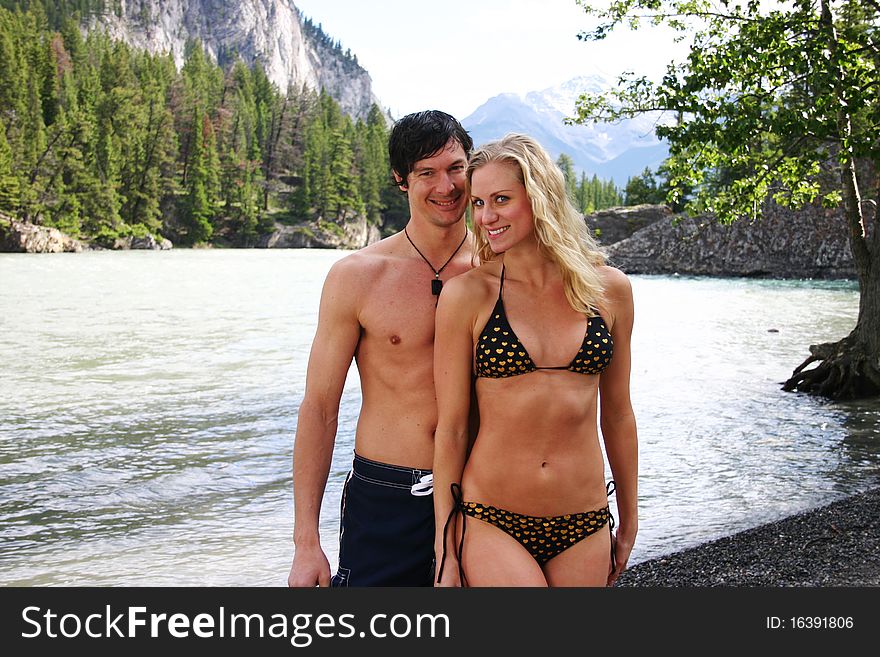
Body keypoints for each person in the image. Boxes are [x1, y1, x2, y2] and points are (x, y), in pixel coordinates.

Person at [432, 133, 638, 587]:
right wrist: (445, 549)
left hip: (585, 520)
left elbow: (619, 414)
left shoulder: (609, 291)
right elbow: (452, 428)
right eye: (479, 203)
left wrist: (629, 517)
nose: (487, 217)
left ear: (539, 196)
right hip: (492, 517)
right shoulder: (468, 295)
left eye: (501, 199)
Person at [287, 110, 475, 587]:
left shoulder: (502, 269)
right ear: (400, 179)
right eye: (427, 173)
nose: (446, 186)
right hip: (387, 492)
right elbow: (320, 407)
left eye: (456, 167)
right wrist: (306, 541)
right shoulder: (358, 276)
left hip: (483, 488)